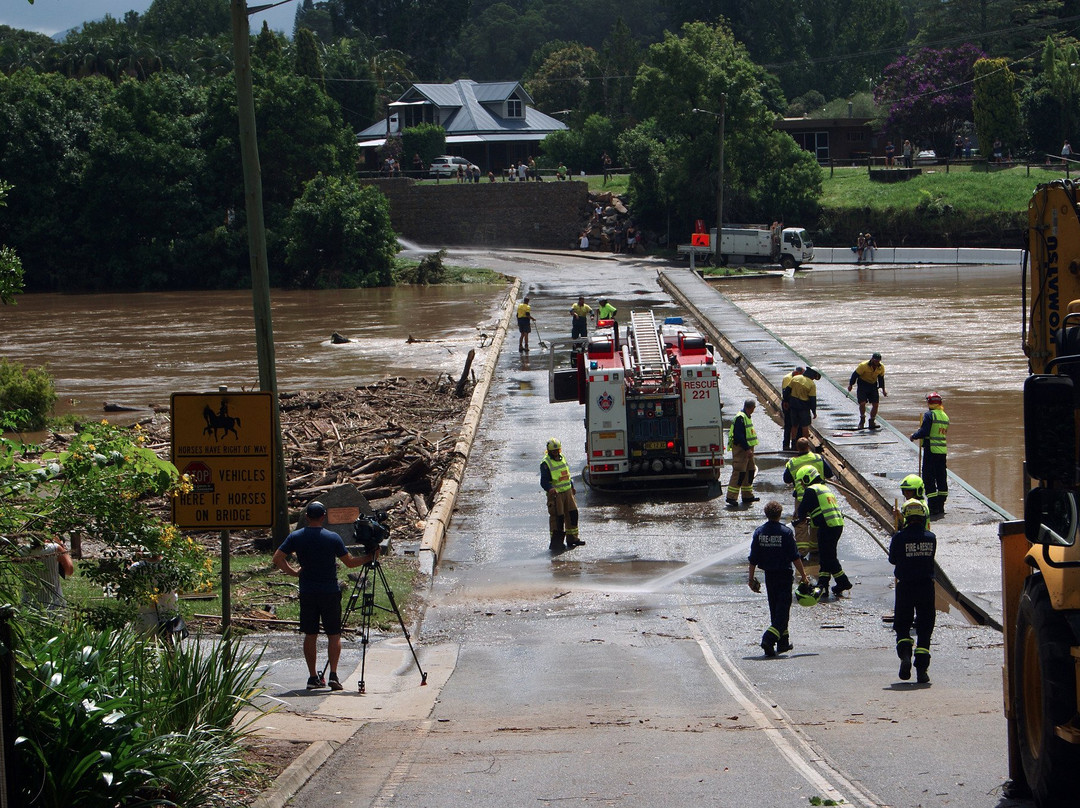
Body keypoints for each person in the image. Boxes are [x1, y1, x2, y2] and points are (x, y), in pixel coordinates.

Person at [273, 501, 372, 690]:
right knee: (334, 634)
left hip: (308, 591)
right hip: (329, 591)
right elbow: (350, 563)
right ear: (323, 517)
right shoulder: (332, 538)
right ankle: (333, 674)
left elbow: (277, 558)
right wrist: (369, 557)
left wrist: (294, 572)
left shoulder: (296, 536)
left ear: (307, 517)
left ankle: (312, 677)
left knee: (311, 634)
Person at [748, 500, 812, 657]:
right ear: (780, 514)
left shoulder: (759, 532)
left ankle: (783, 642)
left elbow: (753, 559)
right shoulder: (786, 532)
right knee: (783, 611)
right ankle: (768, 639)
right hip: (783, 575)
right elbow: (795, 557)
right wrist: (804, 576)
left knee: (775, 608)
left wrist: (751, 579)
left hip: (769, 576)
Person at [889, 498, 937, 683]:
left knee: (902, 625)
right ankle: (922, 671)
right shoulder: (931, 538)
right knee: (925, 628)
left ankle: (905, 656)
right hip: (926, 587)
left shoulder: (899, 538)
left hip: (905, 587)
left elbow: (893, 560)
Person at [795, 466, 853, 598]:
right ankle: (823, 585)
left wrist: (800, 518)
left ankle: (843, 582)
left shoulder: (811, 490)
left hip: (827, 526)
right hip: (836, 525)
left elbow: (802, 510)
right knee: (826, 557)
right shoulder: (825, 488)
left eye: (802, 481)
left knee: (829, 558)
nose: (802, 485)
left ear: (807, 477)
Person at [783, 437, 835, 557]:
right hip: (819, 497)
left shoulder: (793, 463)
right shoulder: (818, 458)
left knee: (801, 522)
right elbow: (829, 474)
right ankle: (815, 547)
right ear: (808, 447)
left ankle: (801, 551)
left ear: (797, 448)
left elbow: (786, 479)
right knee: (816, 521)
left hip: (801, 499)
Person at [910, 392, 949, 515]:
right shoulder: (944, 416)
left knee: (929, 478)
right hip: (942, 452)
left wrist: (914, 436)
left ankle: (933, 506)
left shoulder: (929, 415)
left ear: (929, 403)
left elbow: (924, 432)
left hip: (931, 450)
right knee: (941, 477)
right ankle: (941, 504)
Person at [541, 438, 581, 551]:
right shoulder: (545, 463)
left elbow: (566, 473)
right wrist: (550, 489)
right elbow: (543, 481)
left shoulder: (562, 457)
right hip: (556, 494)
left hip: (567, 491)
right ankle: (556, 543)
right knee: (558, 518)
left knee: (572, 514)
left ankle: (573, 539)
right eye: (554, 451)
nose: (556, 453)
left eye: (557, 450)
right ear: (549, 451)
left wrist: (572, 486)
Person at [21, 538, 74, 610]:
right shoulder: (54, 548)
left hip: (28, 605)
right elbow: (69, 571)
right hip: (54, 605)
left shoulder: (21, 550)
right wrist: (61, 547)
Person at [725, 399, 759, 509]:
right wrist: (747, 449)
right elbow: (739, 436)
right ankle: (731, 497)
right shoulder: (741, 418)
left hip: (748, 450)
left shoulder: (746, 417)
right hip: (742, 450)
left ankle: (747, 495)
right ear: (751, 408)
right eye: (754, 408)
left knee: (750, 471)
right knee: (739, 473)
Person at [848, 352, 887, 429]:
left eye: (878, 361)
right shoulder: (863, 366)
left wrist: (883, 390)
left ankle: (872, 421)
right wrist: (851, 385)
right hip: (863, 385)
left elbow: (881, 379)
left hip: (873, 385)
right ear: (872, 359)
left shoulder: (881, 367)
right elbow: (854, 375)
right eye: (875, 360)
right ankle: (862, 420)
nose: (876, 362)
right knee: (862, 403)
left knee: (875, 404)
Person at [787, 367, 820, 447]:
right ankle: (805, 445)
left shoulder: (795, 378)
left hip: (793, 406)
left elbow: (787, 390)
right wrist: (814, 411)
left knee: (794, 426)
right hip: (804, 407)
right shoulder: (811, 384)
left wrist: (786, 401)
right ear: (813, 375)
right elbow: (812, 399)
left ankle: (793, 443)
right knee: (805, 426)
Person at [780, 366, 804, 451]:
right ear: (797, 373)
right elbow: (786, 393)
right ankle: (786, 445)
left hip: (795, 403)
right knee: (789, 425)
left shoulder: (796, 378)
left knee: (797, 425)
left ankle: (796, 445)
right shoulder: (788, 378)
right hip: (788, 403)